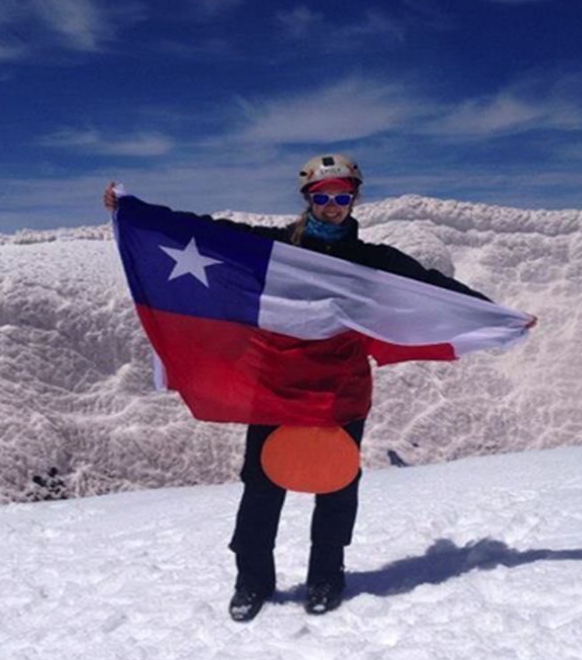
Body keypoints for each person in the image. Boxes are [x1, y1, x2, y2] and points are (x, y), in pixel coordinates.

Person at [104, 153, 491, 621]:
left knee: (336, 485)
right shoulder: (272, 249)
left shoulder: (372, 261)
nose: (332, 205)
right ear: (308, 200)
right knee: (263, 486)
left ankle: (327, 575)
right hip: (276, 389)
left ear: (354, 198)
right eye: (323, 197)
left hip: (339, 390)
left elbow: (432, 288)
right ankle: (252, 581)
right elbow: (206, 232)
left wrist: (497, 315)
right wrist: (135, 210)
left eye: (342, 196)